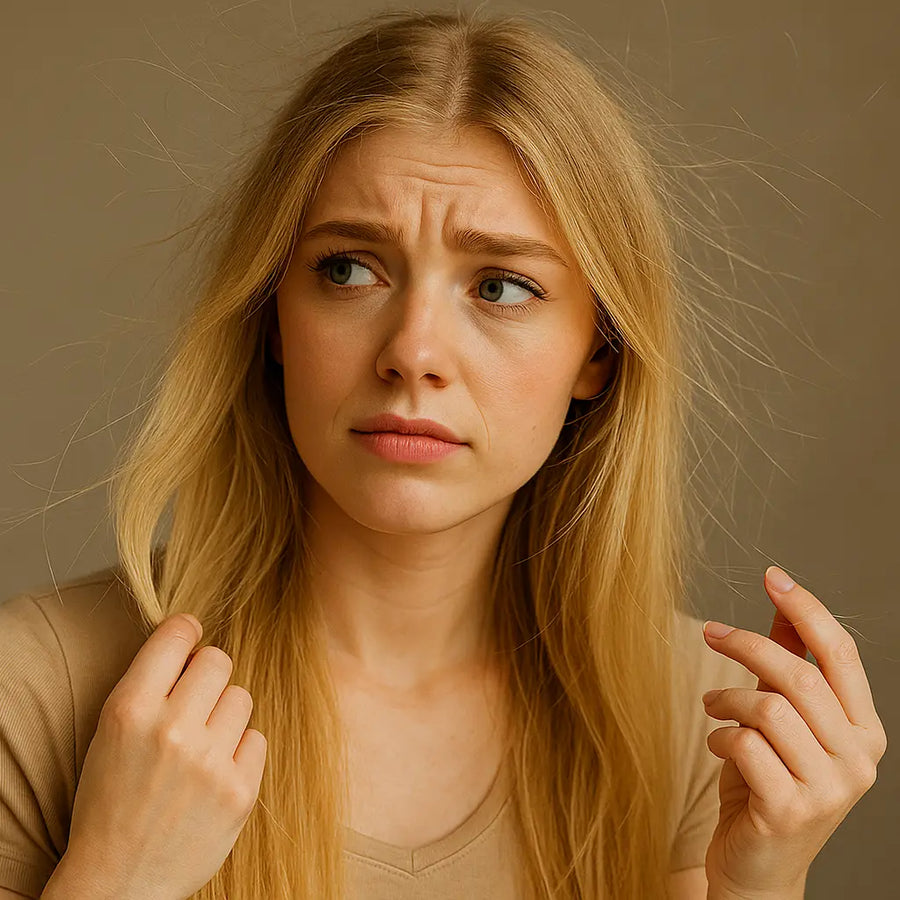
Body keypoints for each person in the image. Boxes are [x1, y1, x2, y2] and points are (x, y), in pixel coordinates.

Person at [2, 7, 885, 900]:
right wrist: (113, 881)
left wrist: (764, 883)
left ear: (598, 353)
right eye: (349, 268)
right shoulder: (33, 694)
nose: (413, 352)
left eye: (500, 286)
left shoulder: (711, 719)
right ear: (272, 316)